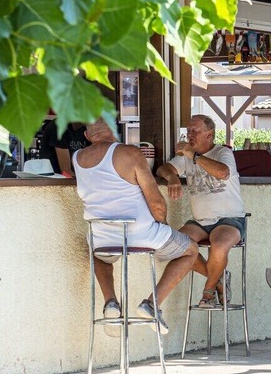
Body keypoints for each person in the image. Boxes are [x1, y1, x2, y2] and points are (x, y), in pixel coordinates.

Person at [73, 119, 198, 334]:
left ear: (86, 136)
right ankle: (151, 304)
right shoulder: (130, 153)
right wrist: (163, 226)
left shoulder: (77, 158)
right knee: (191, 250)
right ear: (114, 128)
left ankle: (111, 302)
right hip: (141, 234)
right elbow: (156, 203)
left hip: (101, 235)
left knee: (99, 253)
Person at [157, 114, 245, 310]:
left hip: (229, 219)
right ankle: (218, 278)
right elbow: (163, 169)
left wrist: (194, 156)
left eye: (194, 131)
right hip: (200, 222)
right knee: (176, 244)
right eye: (188, 131)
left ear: (209, 134)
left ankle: (208, 291)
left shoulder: (222, 152)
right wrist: (172, 177)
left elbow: (223, 172)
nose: (189, 134)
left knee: (219, 245)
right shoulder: (186, 157)